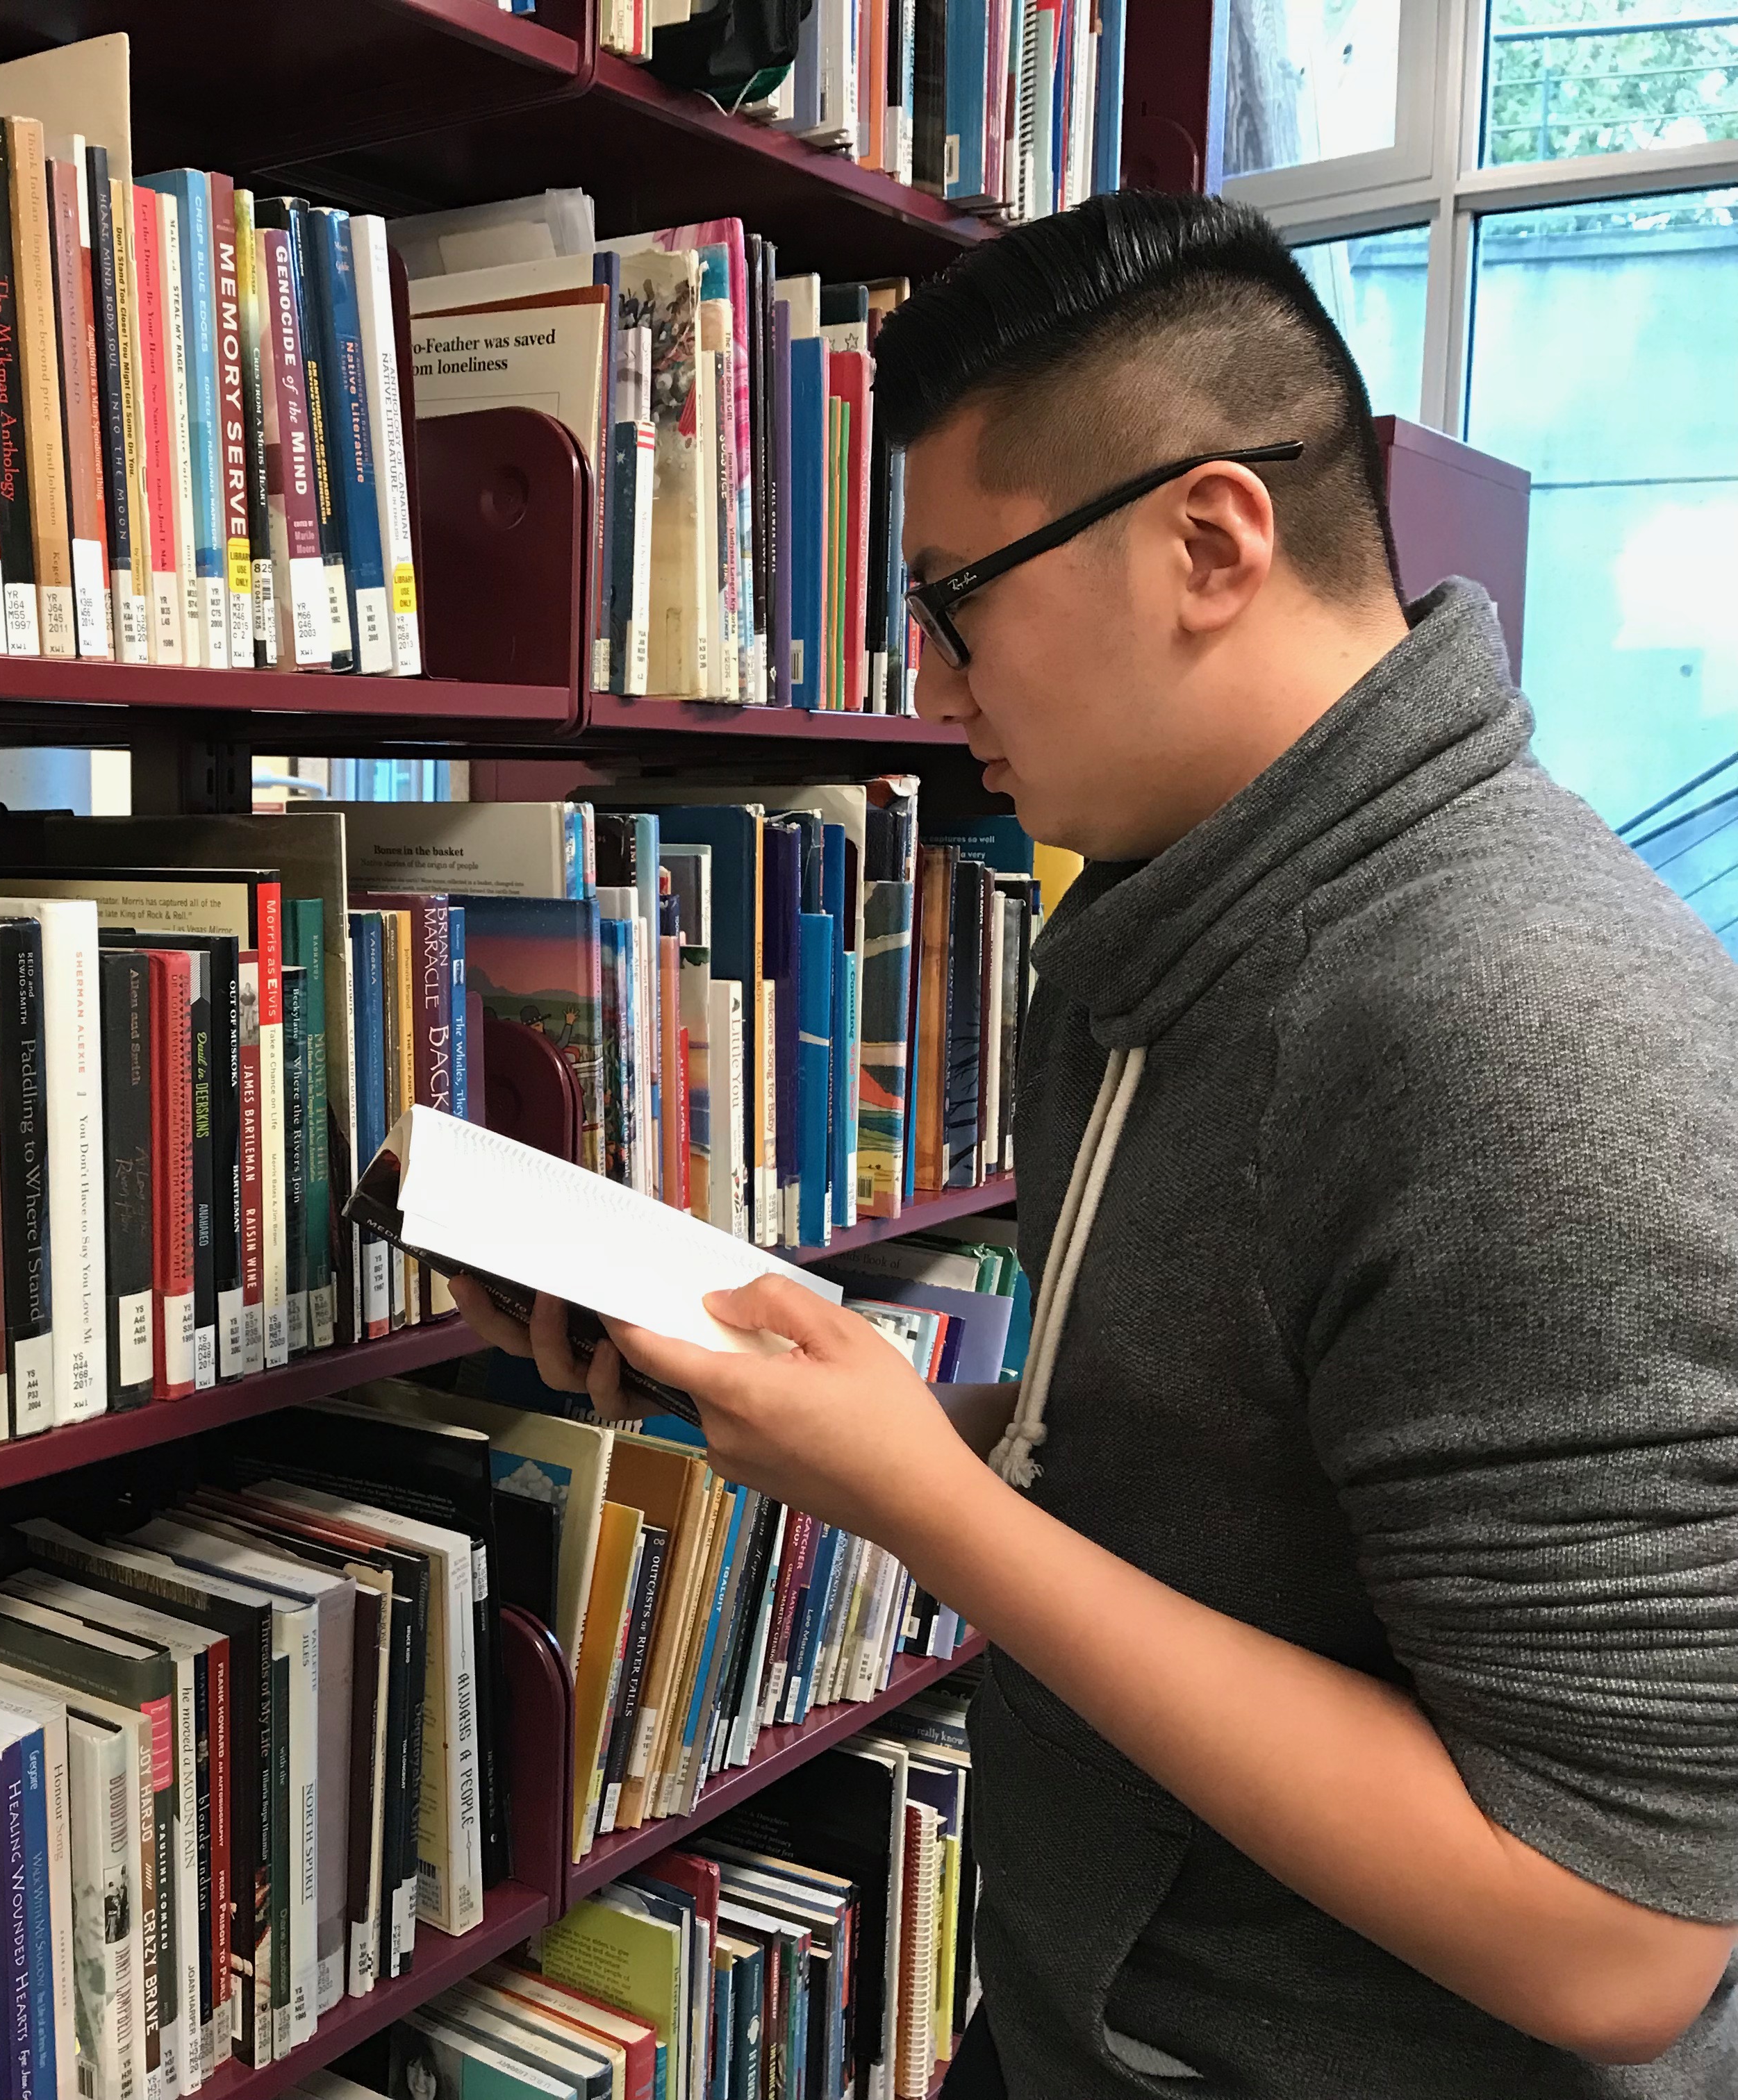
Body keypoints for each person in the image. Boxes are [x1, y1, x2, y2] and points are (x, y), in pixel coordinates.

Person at [453, 190, 1738, 2095]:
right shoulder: (1157, 917)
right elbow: (1226, 1476)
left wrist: (935, 1506)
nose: (932, 688)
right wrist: (837, 1408)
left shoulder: (1536, 1047)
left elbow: (1620, 1938)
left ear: (1210, 539)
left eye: (957, 599)